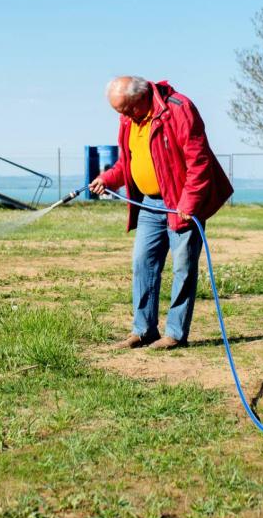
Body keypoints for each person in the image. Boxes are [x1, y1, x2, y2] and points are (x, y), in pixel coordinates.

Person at [89, 76, 234, 349]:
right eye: (119, 112)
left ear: (142, 96)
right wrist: (108, 179)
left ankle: (175, 335)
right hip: (148, 205)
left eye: (127, 109)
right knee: (142, 263)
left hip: (181, 205)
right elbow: (128, 162)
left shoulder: (178, 109)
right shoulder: (130, 119)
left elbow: (199, 161)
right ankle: (143, 331)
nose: (124, 116)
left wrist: (188, 204)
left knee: (183, 268)